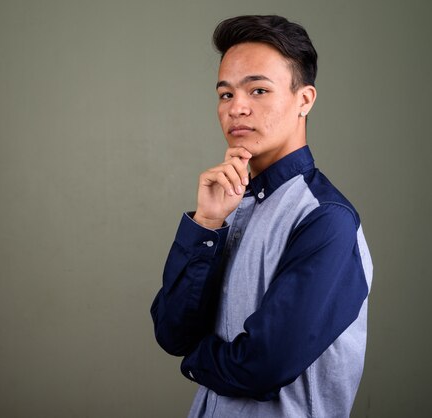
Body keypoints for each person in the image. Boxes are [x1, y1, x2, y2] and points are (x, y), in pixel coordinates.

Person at [150, 15, 373, 418]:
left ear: (304, 100)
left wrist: (194, 360)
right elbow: (171, 330)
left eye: (258, 90)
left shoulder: (325, 219)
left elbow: (262, 365)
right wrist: (206, 223)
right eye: (225, 95)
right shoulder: (233, 205)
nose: (237, 108)